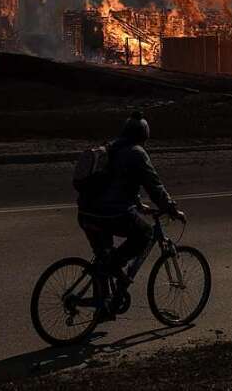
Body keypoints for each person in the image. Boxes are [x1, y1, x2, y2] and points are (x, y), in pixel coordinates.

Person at [77, 111, 183, 301]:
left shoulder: (111, 147)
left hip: (86, 212)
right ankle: (113, 268)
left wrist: (138, 204)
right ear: (144, 135)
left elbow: (119, 182)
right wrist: (171, 208)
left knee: (103, 258)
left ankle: (103, 305)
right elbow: (154, 185)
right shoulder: (137, 153)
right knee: (146, 234)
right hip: (110, 214)